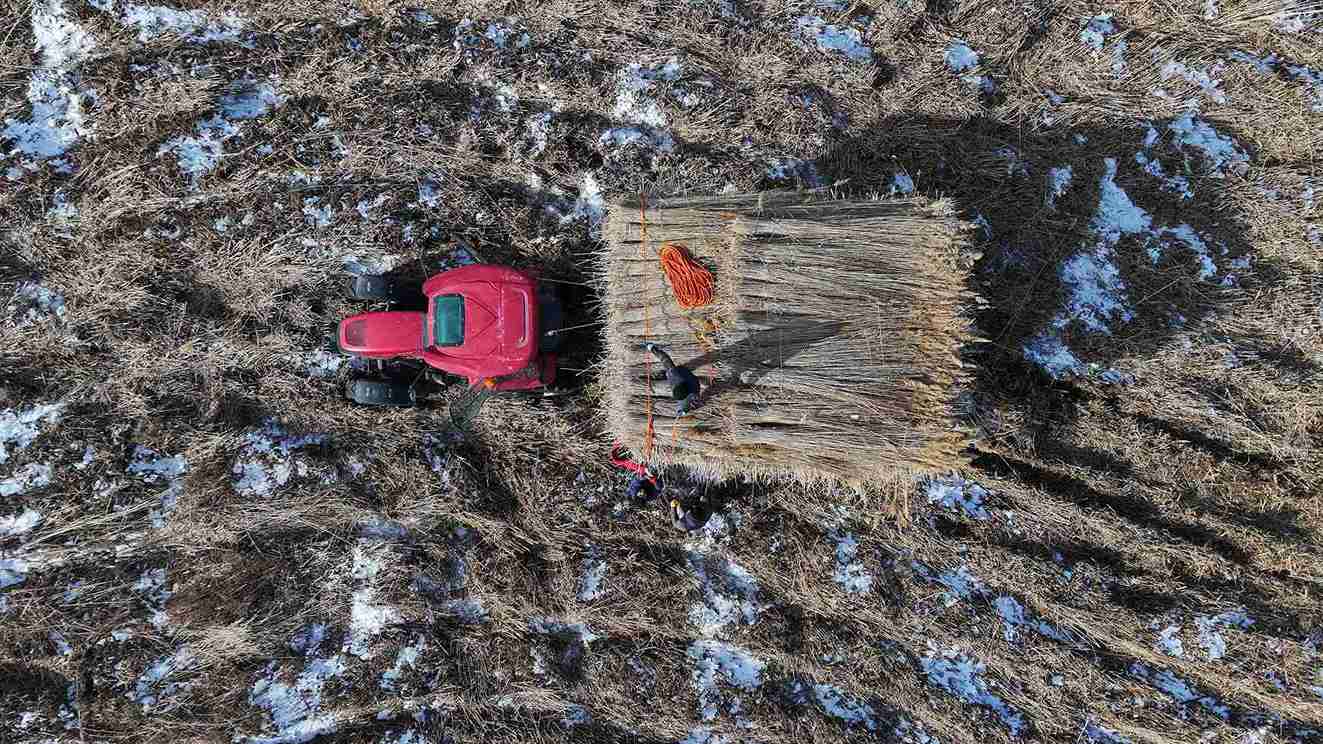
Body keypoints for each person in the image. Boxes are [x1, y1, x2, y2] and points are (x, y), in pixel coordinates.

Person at [644, 343, 701, 416]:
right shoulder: (676, 378)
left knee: (673, 369)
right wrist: (652, 348)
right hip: (686, 375)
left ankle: (683, 370)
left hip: (688, 378)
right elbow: (664, 358)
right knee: (671, 367)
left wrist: (682, 412)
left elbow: (683, 408)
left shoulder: (686, 396)